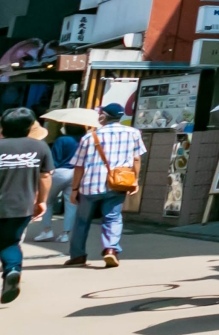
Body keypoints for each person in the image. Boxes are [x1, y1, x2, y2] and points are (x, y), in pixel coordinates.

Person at [67, 103, 145, 268]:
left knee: (82, 221)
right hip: (117, 183)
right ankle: (111, 249)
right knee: (113, 217)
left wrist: (74, 189)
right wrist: (135, 180)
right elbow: (136, 159)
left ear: (103, 115)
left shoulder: (89, 137)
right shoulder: (134, 133)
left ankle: (78, 255)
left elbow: (79, 166)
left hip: (90, 185)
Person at [0, 106, 55, 304]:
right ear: (30, 127)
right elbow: (45, 176)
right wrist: (42, 201)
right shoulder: (40, 147)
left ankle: (12, 271)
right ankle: (12, 270)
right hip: (22, 205)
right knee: (10, 242)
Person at [31, 122, 83, 244]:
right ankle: (66, 234)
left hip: (59, 172)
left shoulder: (62, 140)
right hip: (76, 172)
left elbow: (55, 158)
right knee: (71, 203)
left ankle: (47, 230)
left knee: (47, 201)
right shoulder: (83, 139)